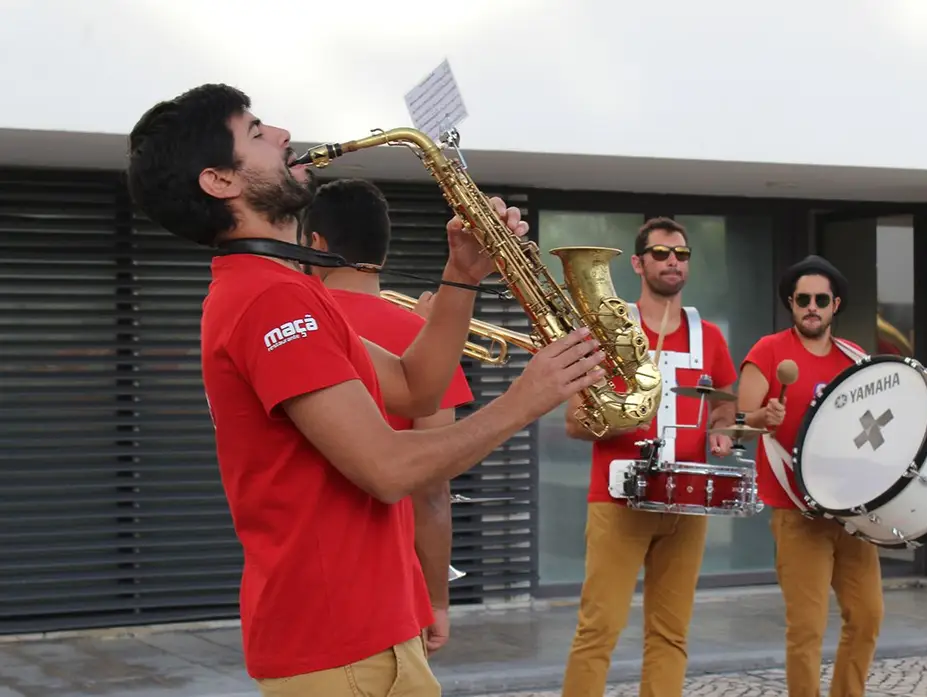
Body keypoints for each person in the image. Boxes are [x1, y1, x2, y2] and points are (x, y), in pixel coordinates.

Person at [125, 83, 606, 696]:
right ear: (220, 181)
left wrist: (460, 276)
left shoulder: (285, 289)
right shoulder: (269, 299)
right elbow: (385, 467)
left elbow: (414, 389)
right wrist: (525, 399)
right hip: (339, 646)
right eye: (256, 132)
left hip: (361, 636)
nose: (281, 136)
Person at [560, 217, 737, 697]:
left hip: (686, 503)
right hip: (619, 500)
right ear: (638, 263)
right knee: (599, 630)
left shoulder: (710, 338)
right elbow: (574, 421)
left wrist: (720, 432)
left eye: (681, 254)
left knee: (671, 634)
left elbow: (724, 406)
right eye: (660, 254)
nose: (673, 261)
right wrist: (622, 419)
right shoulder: (607, 329)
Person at [302, 177, 475, 656]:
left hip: (302, 576)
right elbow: (434, 489)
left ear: (314, 244)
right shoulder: (426, 339)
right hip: (392, 591)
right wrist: (437, 599)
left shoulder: (292, 321)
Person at [736, 254, 884, 697]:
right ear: (791, 303)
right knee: (807, 627)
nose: (812, 306)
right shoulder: (769, 350)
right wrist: (765, 415)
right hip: (797, 511)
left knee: (868, 617)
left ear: (835, 304)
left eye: (822, 299)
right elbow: (738, 423)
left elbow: (877, 427)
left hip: (850, 514)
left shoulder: (855, 358)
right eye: (803, 299)